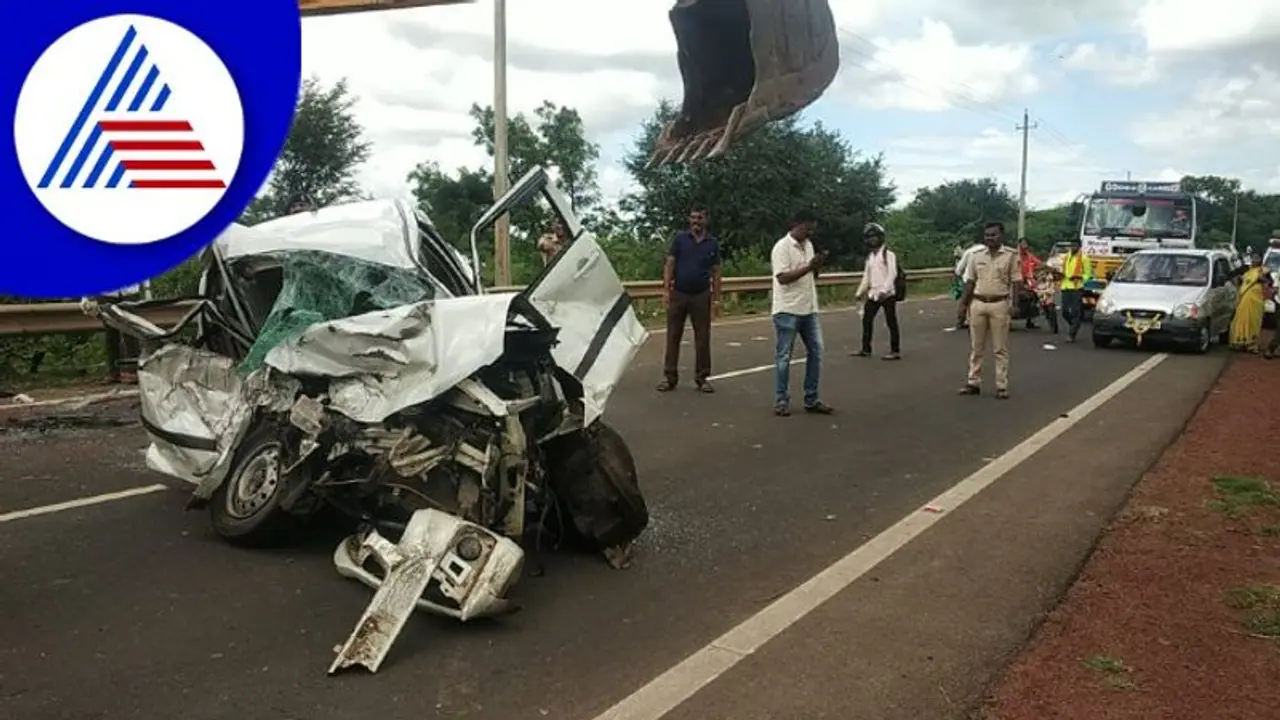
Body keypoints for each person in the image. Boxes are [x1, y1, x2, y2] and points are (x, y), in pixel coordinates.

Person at [770, 210, 833, 416]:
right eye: (807, 228)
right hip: (787, 309)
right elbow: (782, 278)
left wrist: (817, 265)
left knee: (816, 352)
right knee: (784, 357)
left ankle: (811, 398)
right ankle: (781, 400)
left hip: (809, 308)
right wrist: (808, 266)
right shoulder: (782, 247)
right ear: (796, 224)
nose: (810, 233)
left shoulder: (809, 245)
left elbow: (812, 275)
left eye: (812, 229)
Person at [657, 208, 721, 393]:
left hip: (701, 294)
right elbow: (670, 264)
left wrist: (716, 299)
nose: (696, 221)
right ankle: (670, 378)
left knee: (702, 338)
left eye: (699, 217)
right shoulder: (680, 239)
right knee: (673, 336)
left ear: (706, 220)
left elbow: (716, 272)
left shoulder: (712, 243)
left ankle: (702, 378)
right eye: (693, 218)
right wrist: (666, 291)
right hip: (679, 293)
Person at [958, 221, 1020, 399]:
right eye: (987, 235)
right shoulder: (976, 256)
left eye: (993, 235)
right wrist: (963, 305)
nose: (990, 238)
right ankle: (973, 382)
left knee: (1000, 348)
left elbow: (1016, 282)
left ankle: (1001, 385)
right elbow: (970, 282)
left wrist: (1015, 305)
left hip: (999, 303)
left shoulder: (1011, 256)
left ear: (1001, 236)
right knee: (976, 347)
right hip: (978, 303)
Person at [852, 222, 901, 360]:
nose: (872, 240)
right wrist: (859, 292)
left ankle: (895, 350)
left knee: (891, 321)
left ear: (880, 237)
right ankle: (866, 349)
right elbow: (866, 277)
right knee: (867, 320)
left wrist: (884, 290)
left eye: (875, 236)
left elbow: (892, 273)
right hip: (873, 294)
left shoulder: (888, 254)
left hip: (887, 294)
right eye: (870, 237)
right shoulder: (870, 257)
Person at [1229, 255, 1272, 353]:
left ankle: (1251, 345)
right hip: (1244, 298)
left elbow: (1270, 283)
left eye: (1258, 258)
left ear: (1261, 260)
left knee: (1254, 320)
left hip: (1257, 299)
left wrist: (1263, 279)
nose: (1255, 260)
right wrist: (1238, 284)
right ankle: (1239, 342)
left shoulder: (1264, 271)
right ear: (1251, 259)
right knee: (1241, 318)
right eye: (1254, 258)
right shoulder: (1245, 269)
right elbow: (1231, 275)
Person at [1058, 239, 1093, 342]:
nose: (1073, 247)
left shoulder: (1084, 258)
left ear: (1079, 247)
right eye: (1072, 245)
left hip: (1077, 287)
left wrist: (1080, 277)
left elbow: (1088, 275)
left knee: (1075, 311)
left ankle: (1072, 333)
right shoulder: (1066, 256)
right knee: (1064, 312)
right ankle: (1074, 325)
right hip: (1065, 286)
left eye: (1075, 246)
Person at [951, 241, 985, 330]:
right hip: (985, 279)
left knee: (965, 301)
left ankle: (960, 321)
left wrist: (957, 275)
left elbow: (959, 269)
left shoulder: (969, 252)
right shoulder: (987, 250)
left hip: (969, 279)